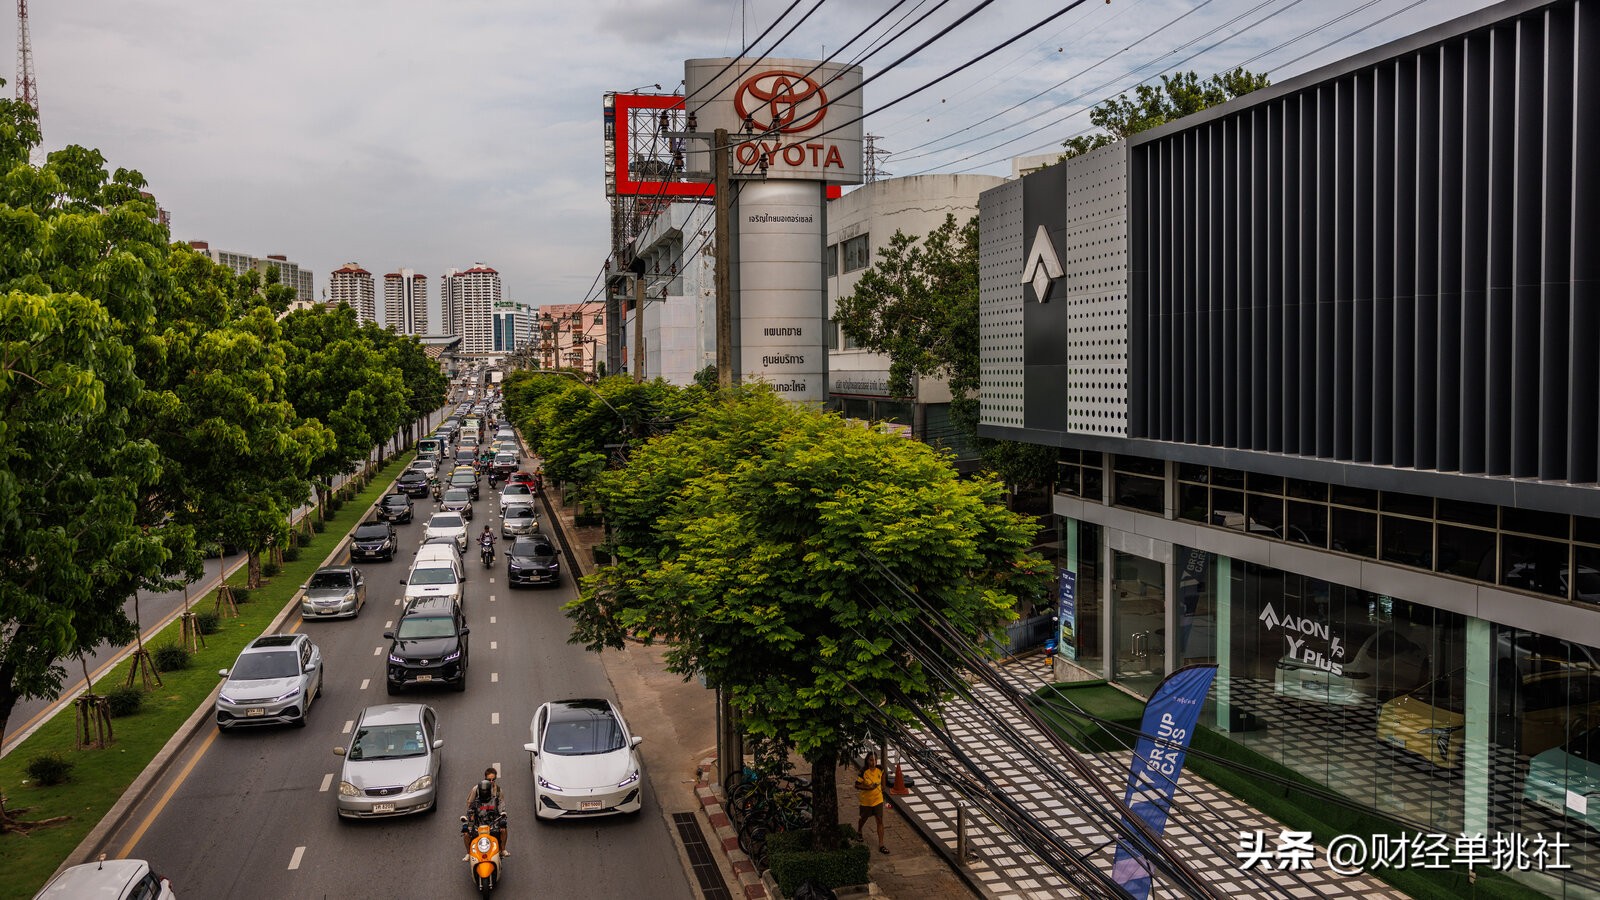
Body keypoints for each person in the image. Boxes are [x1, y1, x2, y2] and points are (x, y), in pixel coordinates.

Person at [462, 767, 509, 858]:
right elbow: (469, 803)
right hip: (479, 819)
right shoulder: (476, 789)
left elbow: (501, 806)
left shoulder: (498, 791)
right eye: (489, 780)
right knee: (466, 832)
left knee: (503, 828)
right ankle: (469, 853)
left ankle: (502, 849)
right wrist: (472, 816)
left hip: (493, 820)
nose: (491, 782)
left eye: (493, 780)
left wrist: (502, 816)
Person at [854, 752, 888, 854]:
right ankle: (859, 830)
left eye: (875, 760)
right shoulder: (863, 771)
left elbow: (883, 776)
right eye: (871, 760)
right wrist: (868, 787)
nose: (873, 762)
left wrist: (883, 786)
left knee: (879, 820)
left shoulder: (880, 769)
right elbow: (857, 785)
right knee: (863, 818)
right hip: (866, 801)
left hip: (878, 799)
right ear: (867, 761)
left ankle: (881, 844)